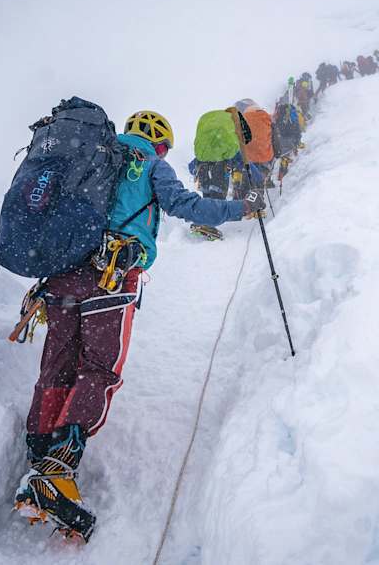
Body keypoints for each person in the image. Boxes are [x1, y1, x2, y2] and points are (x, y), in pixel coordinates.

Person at [14, 106, 262, 540]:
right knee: (98, 369)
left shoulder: (93, 154)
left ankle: (39, 456)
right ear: (159, 141)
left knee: (57, 364)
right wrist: (244, 206)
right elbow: (186, 205)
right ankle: (58, 471)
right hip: (112, 276)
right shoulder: (149, 162)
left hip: (62, 273)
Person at [187, 109, 244, 238]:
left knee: (206, 196)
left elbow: (192, 165)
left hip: (202, 166)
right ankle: (206, 225)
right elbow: (239, 160)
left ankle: (200, 221)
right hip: (220, 168)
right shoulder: (229, 140)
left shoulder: (212, 142)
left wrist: (195, 169)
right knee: (218, 197)